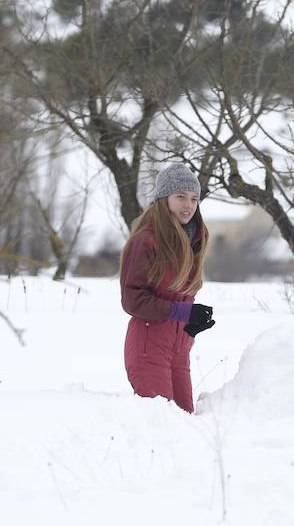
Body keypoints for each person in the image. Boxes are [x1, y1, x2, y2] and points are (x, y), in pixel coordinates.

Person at [119, 163, 214, 413]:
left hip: (179, 351)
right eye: (180, 196)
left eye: (193, 199)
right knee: (163, 426)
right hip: (148, 350)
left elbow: (179, 298)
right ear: (164, 198)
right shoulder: (146, 241)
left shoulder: (193, 241)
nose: (188, 205)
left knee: (187, 422)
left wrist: (190, 326)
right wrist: (183, 313)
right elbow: (133, 300)